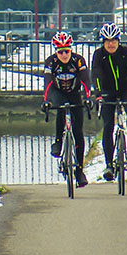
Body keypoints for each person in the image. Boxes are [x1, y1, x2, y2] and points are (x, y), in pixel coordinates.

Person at [91, 22, 127, 181]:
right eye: (107, 41)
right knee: (108, 126)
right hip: (107, 91)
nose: (111, 44)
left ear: (118, 40)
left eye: (114, 40)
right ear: (103, 42)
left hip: (125, 88)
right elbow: (96, 74)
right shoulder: (98, 55)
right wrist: (98, 94)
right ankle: (109, 164)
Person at [42, 31, 90, 188]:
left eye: (67, 51)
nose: (64, 54)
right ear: (56, 51)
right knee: (61, 109)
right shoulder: (51, 62)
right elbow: (48, 82)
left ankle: (80, 171)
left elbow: (85, 80)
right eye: (60, 51)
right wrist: (47, 101)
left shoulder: (78, 61)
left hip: (74, 93)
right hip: (58, 92)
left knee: (78, 131)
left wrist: (88, 97)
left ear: (71, 50)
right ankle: (58, 141)